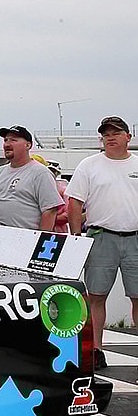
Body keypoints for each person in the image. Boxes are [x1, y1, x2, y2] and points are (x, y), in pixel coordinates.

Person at [67, 116, 138, 369]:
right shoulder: (89, 165)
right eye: (106, 134)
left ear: (128, 137)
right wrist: (76, 236)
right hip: (100, 236)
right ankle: (96, 350)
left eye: (116, 133)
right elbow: (74, 202)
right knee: (96, 296)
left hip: (135, 238)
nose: (110, 137)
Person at [0, 125, 61, 230]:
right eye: (5, 140)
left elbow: (50, 210)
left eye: (13, 140)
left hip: (26, 236)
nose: (7, 144)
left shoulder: (41, 173)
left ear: (28, 145)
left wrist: (41, 236)